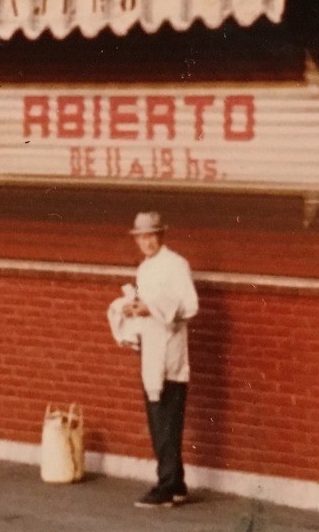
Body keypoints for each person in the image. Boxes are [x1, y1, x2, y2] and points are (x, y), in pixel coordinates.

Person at [114, 212, 199, 509]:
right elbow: (146, 305)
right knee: (157, 418)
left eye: (151, 235)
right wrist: (133, 310)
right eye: (141, 236)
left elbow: (190, 305)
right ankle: (176, 483)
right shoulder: (145, 269)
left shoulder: (176, 265)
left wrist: (152, 309)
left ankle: (165, 485)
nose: (146, 242)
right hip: (151, 350)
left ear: (161, 235)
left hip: (171, 355)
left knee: (167, 420)